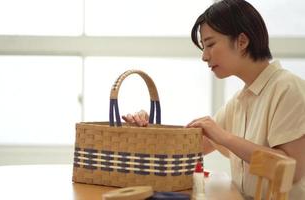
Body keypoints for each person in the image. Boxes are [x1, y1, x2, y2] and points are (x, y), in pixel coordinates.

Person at [122, 0, 305, 199]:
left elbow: (293, 171)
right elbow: (189, 149)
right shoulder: (240, 100)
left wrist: (224, 137)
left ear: (242, 42)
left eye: (210, 44)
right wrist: (144, 132)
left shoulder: (288, 88)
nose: (204, 56)